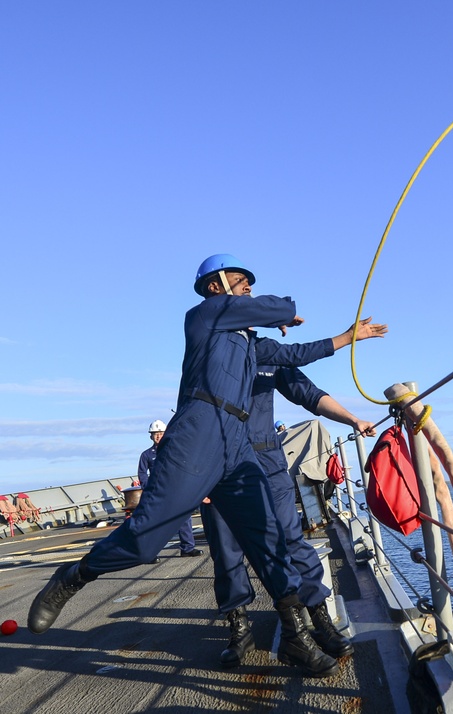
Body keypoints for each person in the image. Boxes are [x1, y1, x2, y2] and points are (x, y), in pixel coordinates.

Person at [28, 253, 377, 678]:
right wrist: (283, 312)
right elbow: (279, 308)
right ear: (216, 286)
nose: (247, 285)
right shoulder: (205, 316)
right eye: (240, 280)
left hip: (239, 442)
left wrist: (346, 337)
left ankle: (295, 638)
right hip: (199, 429)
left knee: (270, 538)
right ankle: (74, 576)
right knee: (145, 540)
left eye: (250, 282)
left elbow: (296, 353)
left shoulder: (249, 342)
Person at [203, 365, 383, 668]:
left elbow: (309, 394)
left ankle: (317, 618)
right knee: (225, 549)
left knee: (291, 540)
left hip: (267, 462)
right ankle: (240, 629)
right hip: (218, 467)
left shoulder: (270, 355)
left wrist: (353, 419)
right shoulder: (209, 353)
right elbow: (191, 416)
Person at [138, 420, 202, 557]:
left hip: (175, 489)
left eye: (160, 433)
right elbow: (142, 474)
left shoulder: (174, 449)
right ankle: (149, 554)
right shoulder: (146, 455)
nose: (158, 436)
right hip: (157, 493)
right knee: (154, 523)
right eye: (155, 434)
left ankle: (187, 548)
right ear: (151, 436)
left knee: (184, 518)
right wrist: (148, 487)